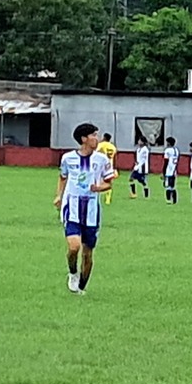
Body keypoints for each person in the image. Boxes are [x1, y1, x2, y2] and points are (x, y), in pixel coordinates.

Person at [55, 122, 115, 293]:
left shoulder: (102, 160)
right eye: (94, 135)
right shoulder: (68, 158)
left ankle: (82, 287)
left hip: (91, 210)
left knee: (88, 253)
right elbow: (62, 177)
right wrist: (59, 195)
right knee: (74, 247)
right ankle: (72, 273)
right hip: (72, 206)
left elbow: (109, 183)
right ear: (84, 139)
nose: (97, 139)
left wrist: (98, 188)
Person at [163, 137, 180, 205]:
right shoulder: (176, 150)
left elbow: (166, 161)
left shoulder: (168, 150)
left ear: (169, 143)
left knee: (168, 186)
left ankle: (168, 200)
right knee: (173, 186)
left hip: (169, 170)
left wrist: (163, 172)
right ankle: (175, 200)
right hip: (174, 170)